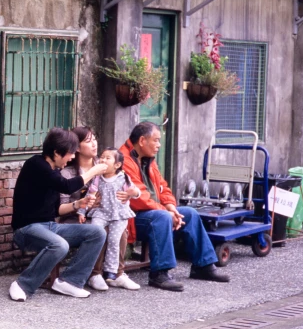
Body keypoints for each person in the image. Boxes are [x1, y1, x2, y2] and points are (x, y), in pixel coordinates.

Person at [121, 122, 230, 291]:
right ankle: (159, 273)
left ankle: (203, 266)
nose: (158, 145)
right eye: (156, 140)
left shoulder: (148, 159)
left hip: (155, 212)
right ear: (142, 140)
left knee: (190, 213)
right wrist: (167, 212)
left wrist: (171, 207)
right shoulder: (124, 160)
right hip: (130, 218)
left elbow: (163, 187)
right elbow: (138, 199)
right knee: (162, 217)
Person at [9, 128, 108, 301]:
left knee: (97, 233)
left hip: (50, 227)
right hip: (26, 230)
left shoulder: (54, 172)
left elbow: (56, 210)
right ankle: (22, 284)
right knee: (59, 245)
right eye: (69, 153)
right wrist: (94, 171)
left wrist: (77, 204)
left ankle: (70, 281)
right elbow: (67, 186)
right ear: (56, 152)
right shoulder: (36, 165)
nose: (71, 157)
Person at [58, 127, 139, 290]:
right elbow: (60, 208)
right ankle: (95, 274)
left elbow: (126, 187)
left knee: (120, 229)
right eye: (88, 141)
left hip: (105, 213)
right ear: (77, 148)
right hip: (77, 216)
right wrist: (82, 205)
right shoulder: (67, 173)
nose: (94, 144)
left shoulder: (107, 165)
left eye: (94, 139)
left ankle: (117, 273)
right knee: (99, 230)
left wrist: (128, 194)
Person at [78, 148, 140, 287]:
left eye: (108, 158)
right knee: (96, 233)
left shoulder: (123, 177)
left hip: (118, 214)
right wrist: (82, 212)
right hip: (100, 212)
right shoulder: (97, 178)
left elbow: (136, 192)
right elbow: (90, 195)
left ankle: (112, 272)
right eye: (102, 157)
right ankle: (95, 273)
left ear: (117, 165)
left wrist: (132, 193)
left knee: (114, 238)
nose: (103, 160)